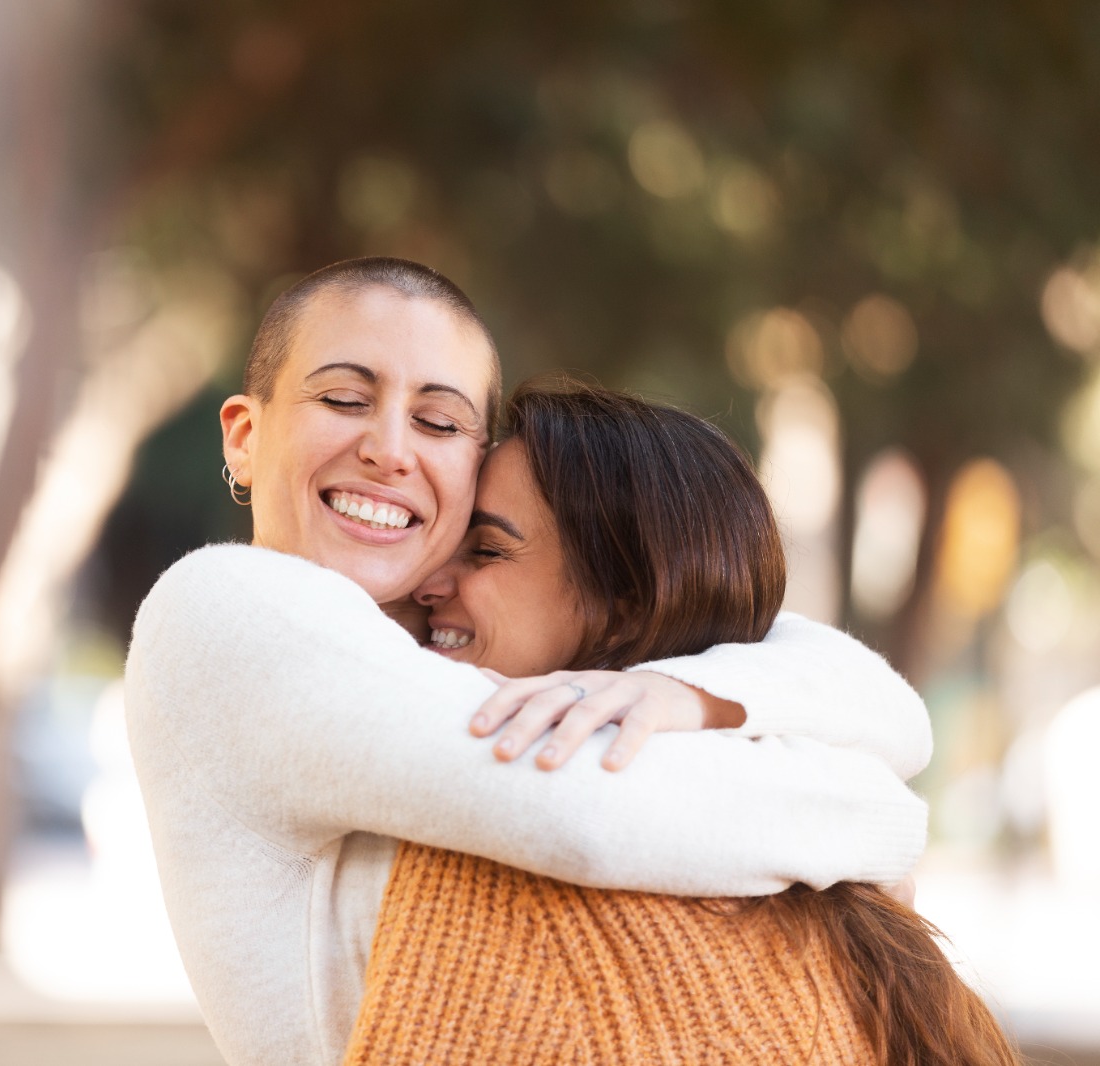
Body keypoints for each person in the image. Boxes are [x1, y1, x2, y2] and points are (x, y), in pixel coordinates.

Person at [125, 258, 932, 1066]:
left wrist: (682, 693)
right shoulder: (226, 607)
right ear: (243, 436)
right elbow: (579, 811)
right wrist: (881, 815)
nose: (389, 449)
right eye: (343, 399)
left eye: (439, 423)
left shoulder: (422, 631)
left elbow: (858, 686)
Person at [342, 381, 1015, 1064]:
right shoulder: (833, 887)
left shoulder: (491, 885)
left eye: (484, 550)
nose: (428, 582)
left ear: (625, 608)